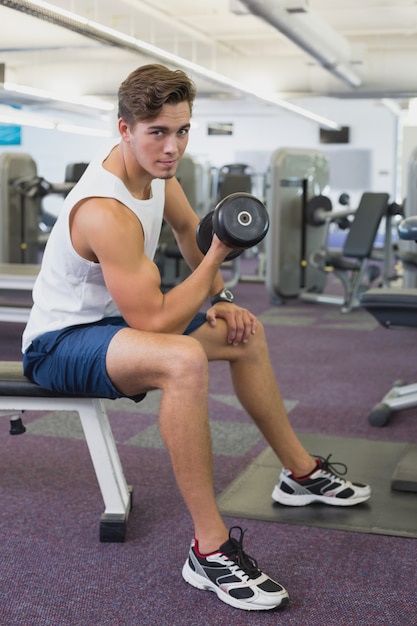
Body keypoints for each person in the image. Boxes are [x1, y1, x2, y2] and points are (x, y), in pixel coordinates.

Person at [22, 64, 371, 612]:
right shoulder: (104, 210)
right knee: (183, 358)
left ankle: (299, 473)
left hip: (114, 325)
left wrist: (223, 300)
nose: (171, 147)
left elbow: (191, 230)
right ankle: (208, 550)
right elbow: (156, 321)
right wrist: (218, 257)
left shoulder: (159, 176)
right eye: (157, 132)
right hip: (61, 342)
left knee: (244, 335)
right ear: (124, 129)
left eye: (182, 130)